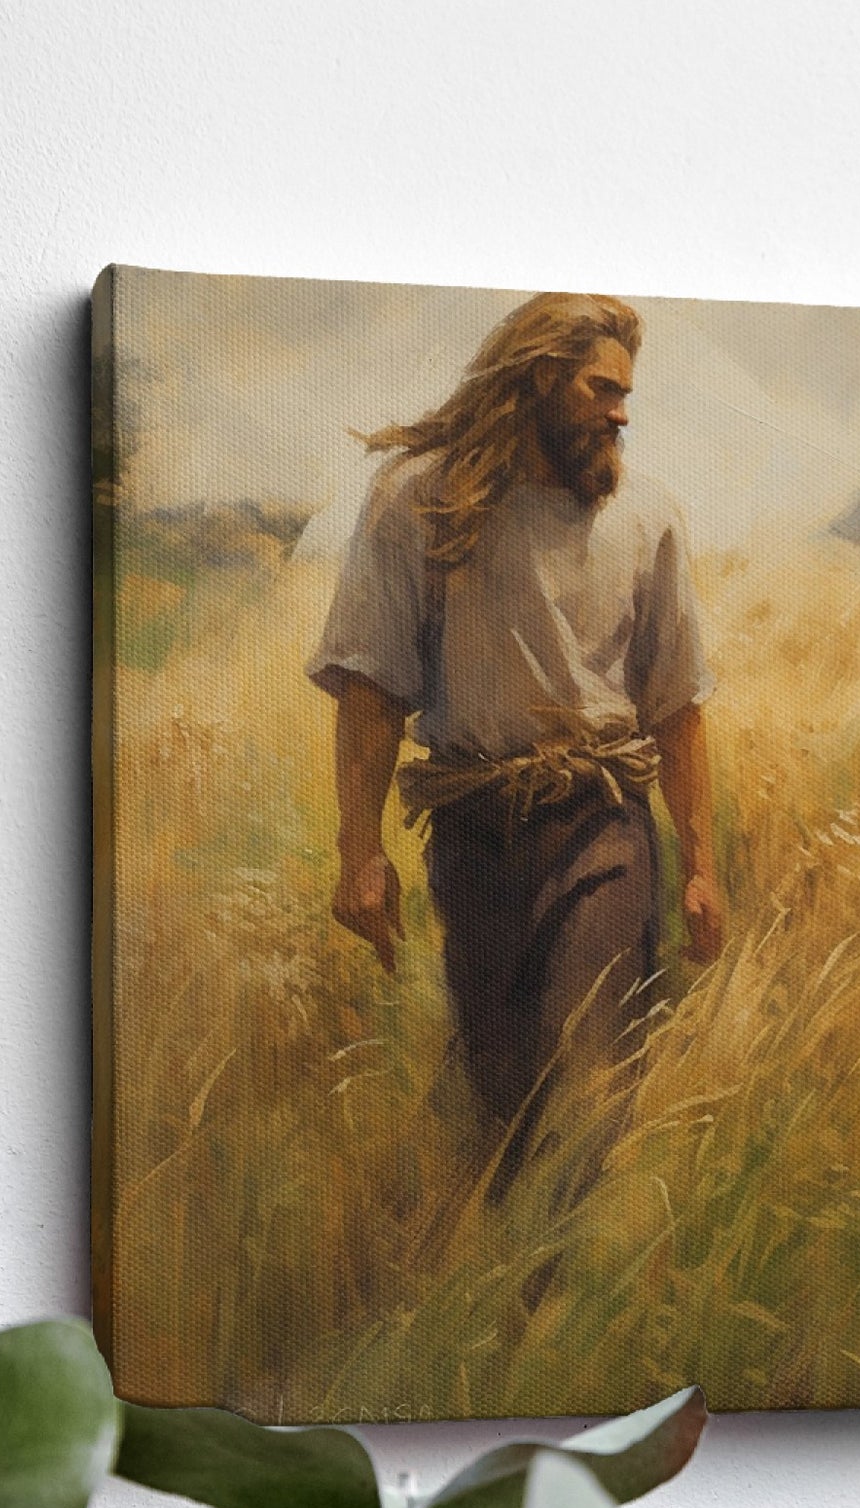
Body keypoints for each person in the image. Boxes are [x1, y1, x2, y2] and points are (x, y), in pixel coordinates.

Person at [307, 292, 723, 1197]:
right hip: (474, 830)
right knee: (501, 1096)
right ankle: (517, 1273)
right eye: (602, 389)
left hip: (602, 824)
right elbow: (372, 689)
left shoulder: (648, 515)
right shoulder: (419, 498)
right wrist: (359, 852)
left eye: (625, 394)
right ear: (540, 377)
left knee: (591, 1067)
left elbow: (677, 708)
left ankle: (568, 1264)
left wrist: (699, 865)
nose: (621, 413)